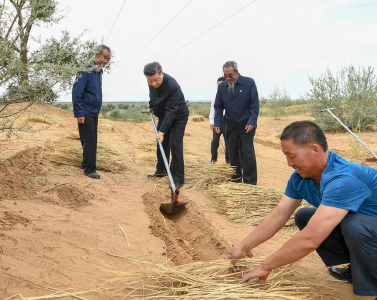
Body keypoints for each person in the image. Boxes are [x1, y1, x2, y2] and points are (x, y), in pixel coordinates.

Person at [226, 121, 377, 298]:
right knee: (305, 216)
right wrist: (243, 247)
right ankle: (357, 268)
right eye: (286, 156)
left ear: (314, 149)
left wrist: (265, 266)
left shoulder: (343, 180)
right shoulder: (300, 177)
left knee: (354, 225)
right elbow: (278, 215)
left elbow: (311, 239)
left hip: (367, 227)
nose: (289, 163)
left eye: (292, 156)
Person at [144, 62, 189, 189]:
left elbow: (172, 111)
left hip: (178, 116)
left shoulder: (172, 85)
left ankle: (178, 178)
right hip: (165, 116)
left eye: (156, 80)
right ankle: (161, 170)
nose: (153, 83)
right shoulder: (151, 82)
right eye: (150, 80)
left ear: (162, 74)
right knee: (161, 144)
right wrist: (151, 106)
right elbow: (152, 95)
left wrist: (162, 131)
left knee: (175, 144)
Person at [214, 61, 259, 184]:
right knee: (232, 154)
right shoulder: (222, 87)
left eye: (230, 75)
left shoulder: (249, 83)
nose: (228, 78)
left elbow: (254, 105)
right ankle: (236, 180)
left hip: (246, 126)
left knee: (247, 154)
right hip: (230, 126)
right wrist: (217, 122)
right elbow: (218, 106)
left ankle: (250, 183)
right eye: (225, 75)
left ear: (236, 72)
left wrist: (252, 121)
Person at [72, 45, 111, 179]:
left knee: (90, 140)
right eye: (104, 57)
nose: (106, 61)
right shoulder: (86, 70)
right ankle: (89, 169)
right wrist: (79, 113)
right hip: (86, 111)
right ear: (97, 55)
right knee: (90, 140)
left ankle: (86, 163)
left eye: (108, 59)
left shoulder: (98, 72)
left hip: (94, 112)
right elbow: (76, 93)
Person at [209, 76, 229, 164]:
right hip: (217, 120)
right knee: (214, 141)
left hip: (228, 121)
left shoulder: (230, 95)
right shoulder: (215, 96)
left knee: (228, 142)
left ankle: (228, 161)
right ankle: (213, 160)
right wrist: (212, 122)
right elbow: (213, 110)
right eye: (218, 85)